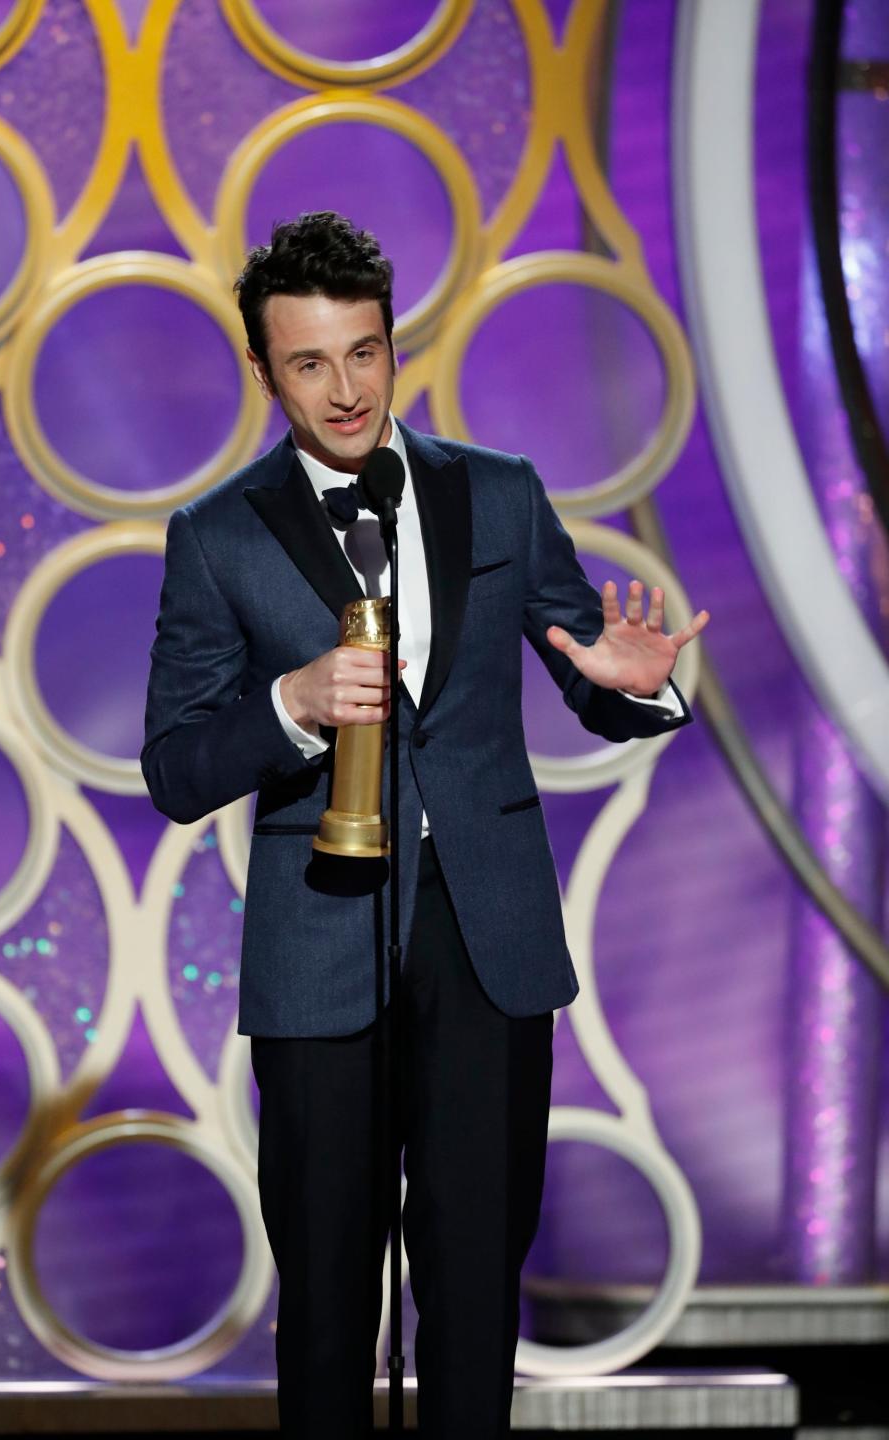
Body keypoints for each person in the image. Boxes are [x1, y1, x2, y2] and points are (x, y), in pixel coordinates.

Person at [141, 211, 709, 1438]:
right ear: (263, 371)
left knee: (474, 1287)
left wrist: (639, 682)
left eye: (365, 353)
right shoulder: (218, 535)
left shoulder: (495, 495)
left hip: (488, 942)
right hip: (319, 952)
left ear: (394, 346)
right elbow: (177, 769)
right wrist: (286, 706)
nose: (345, 389)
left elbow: (585, 669)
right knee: (332, 1297)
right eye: (309, 362)